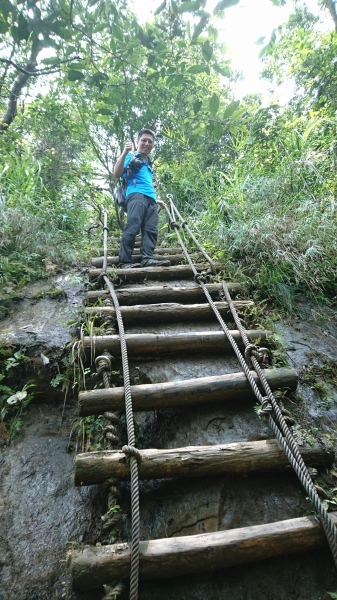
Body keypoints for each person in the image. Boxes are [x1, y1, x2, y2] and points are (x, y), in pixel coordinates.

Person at [113, 128, 171, 269]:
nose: (146, 143)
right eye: (143, 140)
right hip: (135, 196)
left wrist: (157, 200)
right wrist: (125, 151)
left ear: (153, 145)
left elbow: (145, 184)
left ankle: (147, 258)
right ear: (137, 142)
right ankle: (125, 262)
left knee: (151, 229)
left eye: (150, 141)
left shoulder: (148, 164)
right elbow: (116, 173)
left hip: (150, 199)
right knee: (133, 226)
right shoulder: (131, 156)